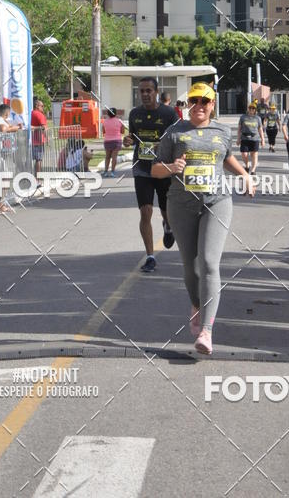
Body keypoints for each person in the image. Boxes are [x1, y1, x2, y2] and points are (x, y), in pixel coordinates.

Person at [152, 82, 255, 355]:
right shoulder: (174, 133)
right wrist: (172, 167)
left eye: (204, 101)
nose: (199, 106)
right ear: (187, 105)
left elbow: (226, 158)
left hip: (216, 202)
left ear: (212, 105)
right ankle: (197, 306)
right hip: (181, 206)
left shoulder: (222, 130)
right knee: (192, 268)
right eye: (194, 101)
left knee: (210, 262)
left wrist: (244, 174)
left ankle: (207, 330)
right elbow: (155, 171)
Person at [123, 77, 178, 272]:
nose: (145, 94)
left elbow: (177, 139)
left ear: (156, 92)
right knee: (145, 211)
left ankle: (168, 226)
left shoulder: (169, 113)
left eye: (149, 91)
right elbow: (132, 136)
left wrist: (162, 147)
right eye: (142, 91)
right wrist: (128, 140)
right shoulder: (135, 113)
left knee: (166, 210)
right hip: (142, 169)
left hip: (163, 169)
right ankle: (150, 256)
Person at [237, 101, 264, 173]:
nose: (251, 109)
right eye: (250, 108)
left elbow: (260, 129)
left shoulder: (258, 118)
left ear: (255, 110)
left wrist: (262, 139)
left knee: (254, 154)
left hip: (254, 138)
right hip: (244, 138)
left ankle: (253, 170)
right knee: (244, 154)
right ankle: (247, 165)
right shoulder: (243, 117)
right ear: (248, 109)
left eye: (253, 108)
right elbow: (239, 129)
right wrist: (238, 139)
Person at [102, 108, 125, 177]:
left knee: (107, 157)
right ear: (115, 113)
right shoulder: (119, 121)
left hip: (107, 141)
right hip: (117, 141)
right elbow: (122, 131)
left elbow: (103, 131)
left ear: (108, 114)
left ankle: (105, 171)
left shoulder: (105, 122)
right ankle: (113, 172)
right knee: (114, 157)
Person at [30, 98, 47, 189]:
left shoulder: (31, 113)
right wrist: (47, 138)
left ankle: (33, 179)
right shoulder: (39, 114)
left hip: (32, 140)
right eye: (42, 106)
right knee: (38, 160)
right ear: (37, 106)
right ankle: (37, 180)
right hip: (38, 140)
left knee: (34, 160)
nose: (43, 108)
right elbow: (44, 127)